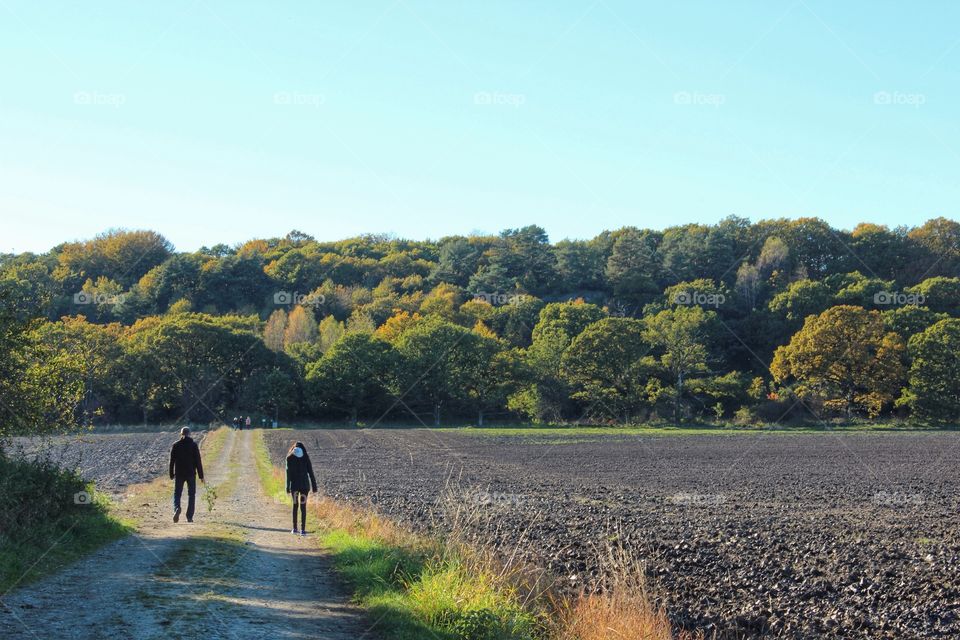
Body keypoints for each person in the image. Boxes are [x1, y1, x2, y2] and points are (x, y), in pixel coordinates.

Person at [169, 426, 204, 523]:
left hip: (179, 473)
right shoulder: (193, 445)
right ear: (189, 434)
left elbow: (172, 461)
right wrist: (201, 476)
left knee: (177, 493)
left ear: (181, 434)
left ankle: (177, 508)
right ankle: (189, 517)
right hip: (191, 473)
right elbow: (198, 461)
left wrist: (171, 474)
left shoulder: (175, 445)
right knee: (191, 495)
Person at [285, 441, 317, 536]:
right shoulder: (306, 457)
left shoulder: (289, 458)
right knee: (303, 507)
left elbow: (288, 474)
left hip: (294, 485)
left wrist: (287, 487)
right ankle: (303, 530)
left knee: (295, 506)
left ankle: (294, 529)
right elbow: (311, 473)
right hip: (304, 485)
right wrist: (314, 487)